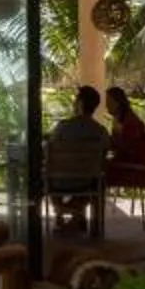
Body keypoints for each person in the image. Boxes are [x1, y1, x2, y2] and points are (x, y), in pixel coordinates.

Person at [44, 87, 110, 234]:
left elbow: (48, 149)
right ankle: (78, 216)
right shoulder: (101, 131)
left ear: (80, 104)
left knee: (46, 176)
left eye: (75, 100)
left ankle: (62, 213)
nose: (73, 103)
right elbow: (104, 155)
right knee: (97, 180)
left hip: (58, 181)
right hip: (86, 182)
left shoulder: (62, 127)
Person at [105, 89, 145, 192]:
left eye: (109, 102)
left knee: (97, 172)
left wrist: (110, 142)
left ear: (118, 103)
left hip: (135, 169)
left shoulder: (130, 121)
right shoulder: (119, 120)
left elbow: (129, 148)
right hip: (126, 163)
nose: (106, 105)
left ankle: (80, 202)